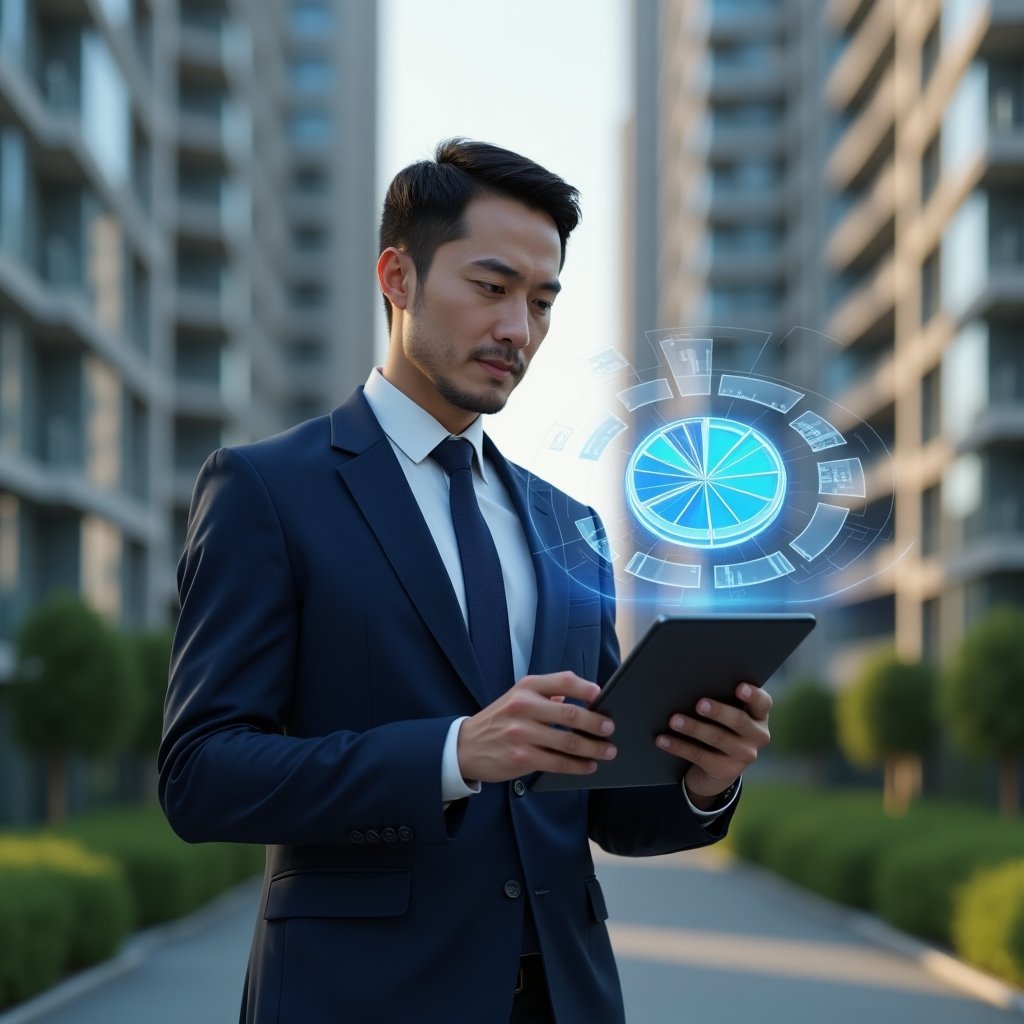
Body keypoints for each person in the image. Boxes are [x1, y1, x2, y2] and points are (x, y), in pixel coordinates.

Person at [159, 139, 772, 1024]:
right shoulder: (266, 490)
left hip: (565, 999)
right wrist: (451, 754)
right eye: (492, 289)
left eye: (543, 301)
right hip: (357, 1000)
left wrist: (701, 779)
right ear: (397, 277)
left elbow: (598, 804)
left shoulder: (572, 525)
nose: (519, 330)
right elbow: (201, 774)